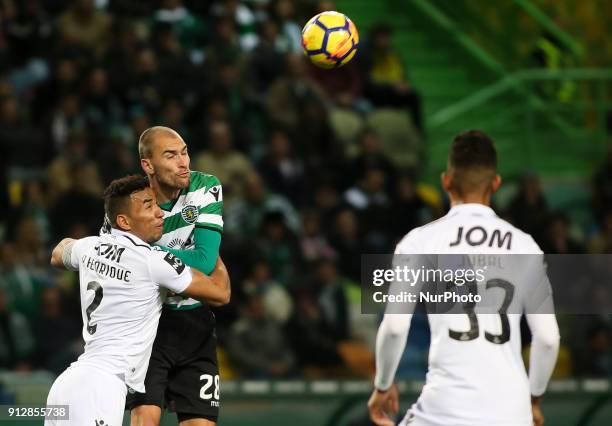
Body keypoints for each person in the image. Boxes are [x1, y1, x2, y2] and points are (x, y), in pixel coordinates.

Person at [368, 130, 560, 426]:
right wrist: (532, 399)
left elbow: (394, 327)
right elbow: (548, 339)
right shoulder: (525, 246)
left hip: (444, 412)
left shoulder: (420, 242)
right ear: (495, 184)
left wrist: (383, 385)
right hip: (511, 415)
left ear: (446, 181)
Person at [45, 175, 230, 426]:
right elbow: (221, 293)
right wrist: (210, 246)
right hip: (102, 387)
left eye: (156, 204)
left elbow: (58, 253)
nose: (159, 214)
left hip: (66, 386)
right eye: (148, 206)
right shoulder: (153, 261)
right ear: (123, 220)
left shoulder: (89, 247)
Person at [127, 126, 226, 426]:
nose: (183, 162)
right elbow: (124, 270)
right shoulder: (129, 202)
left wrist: (145, 258)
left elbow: (205, 260)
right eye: (171, 156)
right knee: (146, 419)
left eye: (184, 152)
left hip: (195, 326)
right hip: (148, 326)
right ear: (148, 165)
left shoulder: (205, 186)